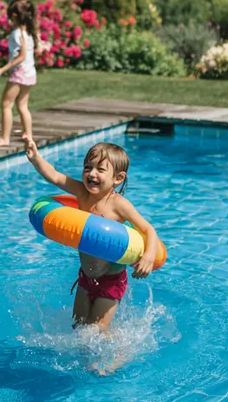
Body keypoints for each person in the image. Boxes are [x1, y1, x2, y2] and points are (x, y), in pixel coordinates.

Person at [22, 136, 159, 331]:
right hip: (86, 276)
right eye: (87, 167)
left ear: (118, 178)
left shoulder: (119, 204)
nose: (91, 173)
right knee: (78, 327)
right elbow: (56, 176)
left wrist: (149, 256)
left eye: (100, 170)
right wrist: (35, 158)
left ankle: (117, 348)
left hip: (111, 279)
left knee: (96, 331)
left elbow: (147, 229)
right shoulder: (81, 192)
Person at [0, 0, 45, 148]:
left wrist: (1, 70)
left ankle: (4, 139)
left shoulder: (17, 33)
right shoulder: (29, 32)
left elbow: (21, 56)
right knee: (22, 106)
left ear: (13, 15)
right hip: (29, 72)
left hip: (19, 73)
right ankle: (29, 137)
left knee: (6, 104)